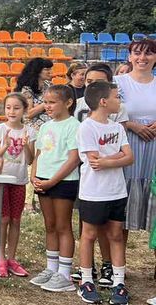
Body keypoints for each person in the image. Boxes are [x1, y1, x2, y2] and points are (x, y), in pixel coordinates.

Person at [76, 81, 133, 305]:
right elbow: (94, 162)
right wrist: (116, 158)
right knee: (89, 235)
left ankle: (119, 283)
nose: (120, 101)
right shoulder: (87, 128)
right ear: (103, 101)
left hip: (117, 191)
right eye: (117, 97)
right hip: (94, 192)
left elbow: (130, 158)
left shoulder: (118, 128)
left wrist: (110, 159)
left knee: (116, 235)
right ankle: (86, 281)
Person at [28, 84, 80, 293]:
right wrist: (34, 175)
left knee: (62, 226)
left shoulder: (73, 126)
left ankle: (65, 274)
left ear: (67, 103)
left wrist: (53, 181)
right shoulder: (46, 126)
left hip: (63, 181)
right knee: (49, 225)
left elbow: (74, 159)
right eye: (45, 102)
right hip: (43, 179)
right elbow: (39, 154)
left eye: (51, 103)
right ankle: (52, 268)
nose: (46, 107)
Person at [115, 39, 156, 263]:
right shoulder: (118, 83)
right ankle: (116, 265)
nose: (143, 58)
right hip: (127, 149)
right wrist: (132, 125)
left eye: (149, 53)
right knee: (122, 215)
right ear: (129, 56)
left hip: (154, 153)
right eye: (137, 53)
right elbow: (108, 115)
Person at [0, 92, 36, 278]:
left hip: (19, 181)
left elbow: (31, 159)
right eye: (8, 107)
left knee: (16, 219)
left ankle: (11, 258)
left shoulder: (30, 131)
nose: (12, 111)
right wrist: (5, 145)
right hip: (0, 181)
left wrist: (25, 145)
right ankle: (0, 258)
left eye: (16, 108)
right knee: (4, 218)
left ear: (24, 110)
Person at [14, 57, 55, 129]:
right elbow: (28, 114)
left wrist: (37, 107)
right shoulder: (26, 89)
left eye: (50, 69)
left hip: (50, 124)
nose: (50, 72)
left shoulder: (49, 85)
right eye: (46, 69)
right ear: (37, 71)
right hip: (33, 127)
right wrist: (46, 103)